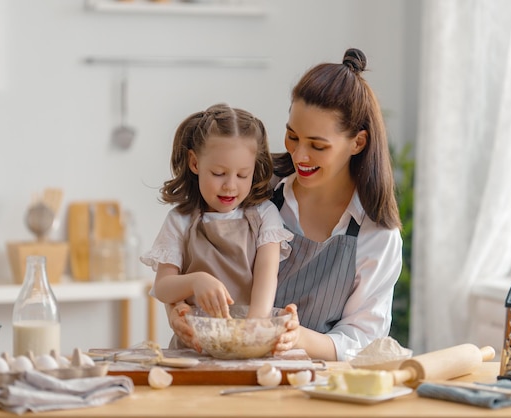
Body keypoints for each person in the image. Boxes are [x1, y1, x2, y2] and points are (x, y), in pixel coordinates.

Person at [167, 48, 403, 361]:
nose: (299, 155)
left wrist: (296, 335)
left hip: (310, 387)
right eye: (292, 136)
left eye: (318, 146)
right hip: (215, 365)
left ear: (357, 143)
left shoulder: (377, 234)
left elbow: (363, 339)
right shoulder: (254, 189)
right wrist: (176, 313)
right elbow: (188, 255)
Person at [141, 103, 294, 341]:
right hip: (194, 345)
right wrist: (196, 281)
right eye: (219, 173)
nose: (230, 185)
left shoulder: (264, 216)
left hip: (246, 338)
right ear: (195, 163)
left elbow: (266, 278)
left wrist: (252, 330)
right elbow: (162, 287)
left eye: (243, 174)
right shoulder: (180, 220)